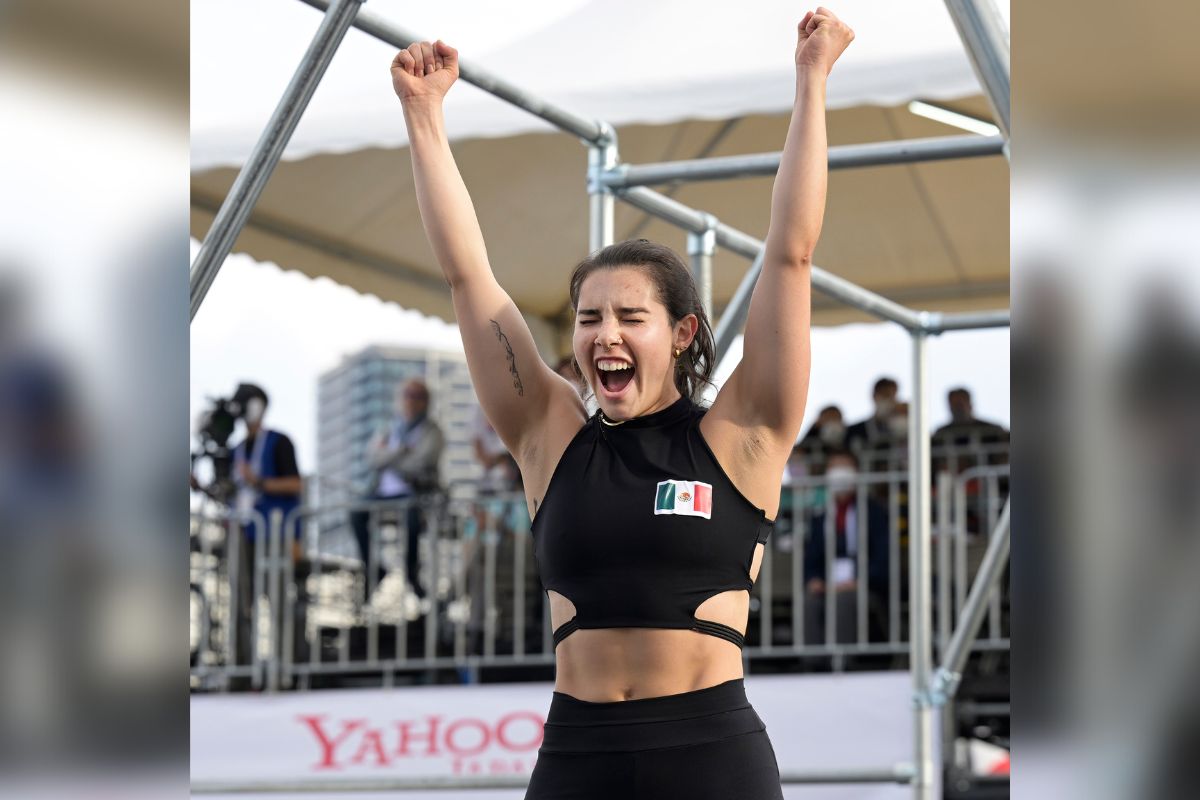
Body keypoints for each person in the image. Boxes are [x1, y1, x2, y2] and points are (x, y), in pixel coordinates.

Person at [390, 9, 852, 797]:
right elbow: (470, 278)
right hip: (578, 755)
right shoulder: (548, 433)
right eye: (590, 317)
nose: (605, 334)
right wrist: (423, 116)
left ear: (681, 334)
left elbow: (791, 252)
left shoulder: (743, 434)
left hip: (710, 756)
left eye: (631, 318)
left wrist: (811, 81)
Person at [228, 383, 304, 669]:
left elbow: (295, 483)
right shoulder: (236, 450)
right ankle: (242, 668)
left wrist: (258, 481)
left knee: (279, 599)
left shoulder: (278, 441)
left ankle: (288, 666)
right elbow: (231, 493)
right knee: (240, 602)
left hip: (273, 533)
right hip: (243, 532)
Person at [350, 378, 444, 603]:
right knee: (356, 513)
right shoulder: (389, 428)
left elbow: (422, 463)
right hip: (382, 492)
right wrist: (402, 451)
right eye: (407, 395)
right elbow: (371, 459)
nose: (411, 401)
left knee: (412, 521)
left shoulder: (432, 432)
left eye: (417, 396)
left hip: (414, 493)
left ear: (426, 402)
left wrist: (388, 456)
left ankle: (411, 572)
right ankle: (373, 568)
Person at [802, 449, 890, 646]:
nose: (839, 473)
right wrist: (814, 580)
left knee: (844, 600)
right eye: (834, 467)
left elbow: (883, 557)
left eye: (845, 467)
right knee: (809, 601)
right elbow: (811, 558)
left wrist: (860, 580)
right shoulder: (820, 515)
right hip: (828, 581)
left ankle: (842, 660)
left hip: (862, 582)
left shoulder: (874, 512)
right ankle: (812, 663)